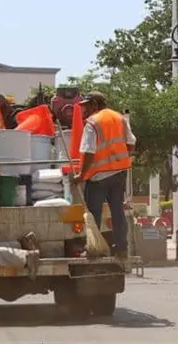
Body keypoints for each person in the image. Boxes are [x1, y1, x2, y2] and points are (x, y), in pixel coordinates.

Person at [74, 91, 136, 259]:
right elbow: (131, 143)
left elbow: (89, 152)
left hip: (98, 177)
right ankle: (122, 248)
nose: (84, 110)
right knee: (117, 211)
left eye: (86, 106)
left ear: (94, 104)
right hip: (119, 174)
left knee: (93, 215)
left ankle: (94, 249)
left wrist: (81, 175)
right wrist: (117, 156)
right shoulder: (119, 118)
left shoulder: (92, 123)